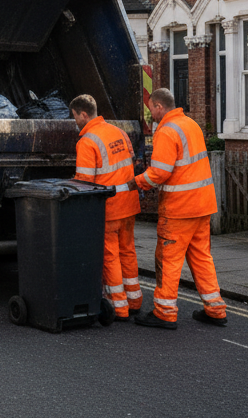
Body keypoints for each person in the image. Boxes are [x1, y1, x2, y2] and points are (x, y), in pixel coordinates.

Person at [129, 87, 227, 329]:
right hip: (202, 205)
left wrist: (136, 182)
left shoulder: (167, 131)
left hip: (179, 209)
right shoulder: (190, 124)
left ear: (159, 106)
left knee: (168, 260)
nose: (150, 113)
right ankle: (215, 309)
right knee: (202, 258)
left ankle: (164, 311)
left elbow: (160, 173)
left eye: (151, 108)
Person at [70, 94, 143, 321]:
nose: (75, 122)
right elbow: (131, 164)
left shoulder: (87, 141)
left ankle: (119, 307)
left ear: (83, 114)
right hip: (129, 205)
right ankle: (134, 301)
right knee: (128, 252)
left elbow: (84, 182)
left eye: (75, 117)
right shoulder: (119, 132)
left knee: (110, 257)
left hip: (108, 208)